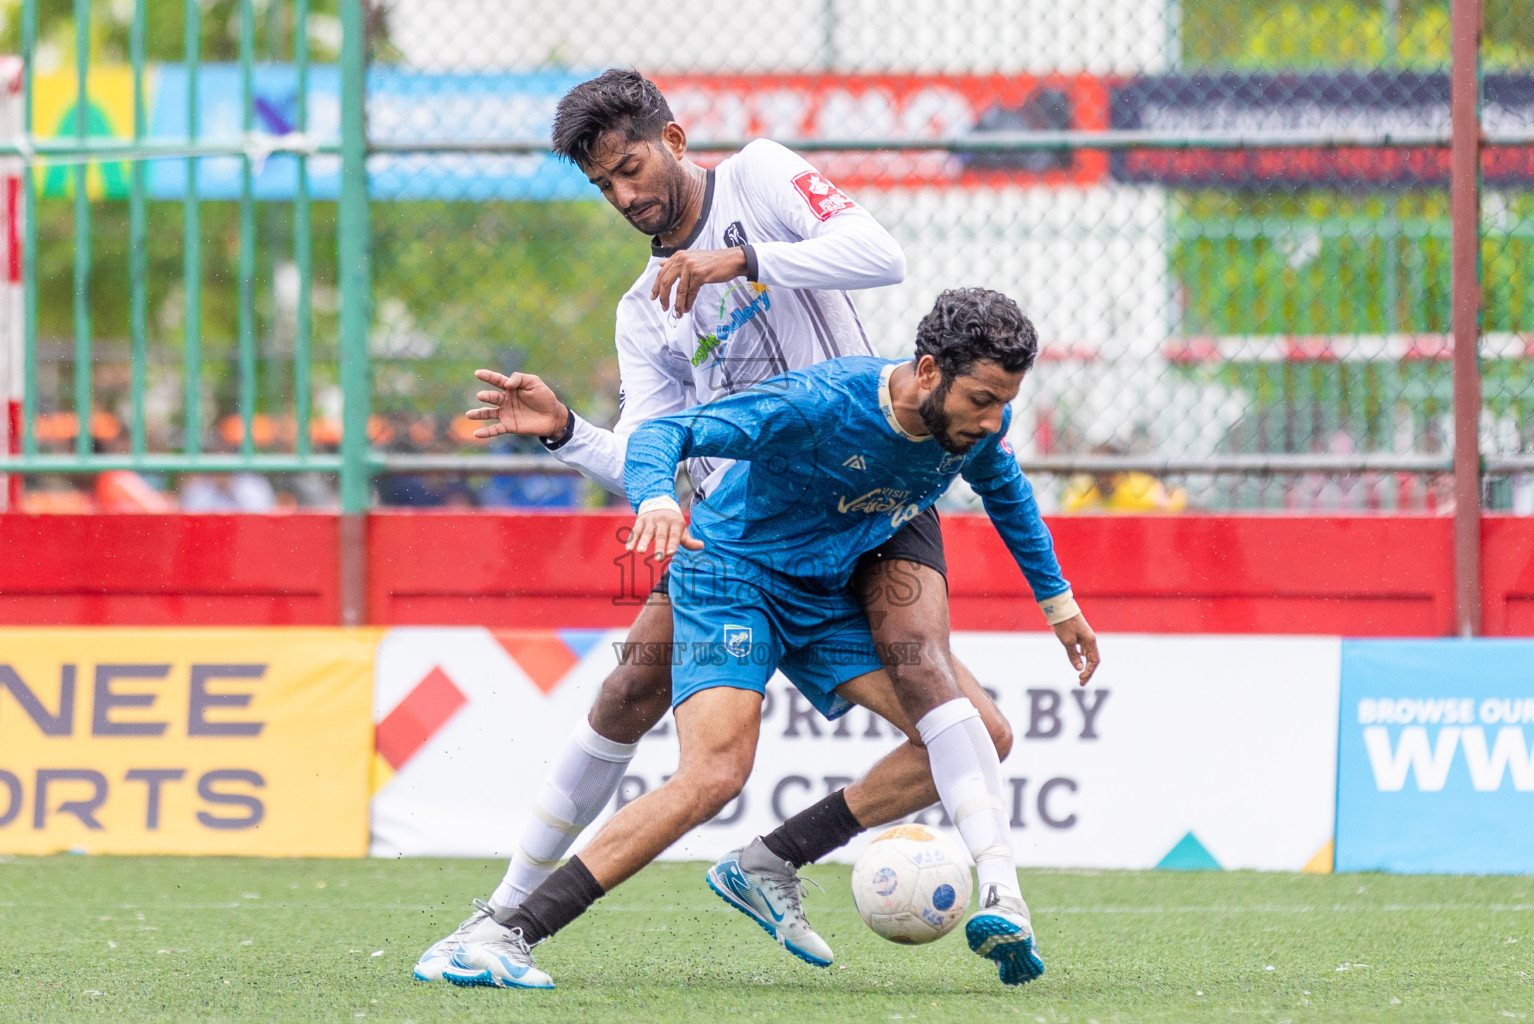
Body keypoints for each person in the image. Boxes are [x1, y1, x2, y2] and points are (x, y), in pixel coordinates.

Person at [414, 69, 1088, 982]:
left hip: (880, 495)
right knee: (626, 701)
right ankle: (502, 916)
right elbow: (666, 455)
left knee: (952, 710)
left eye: (631, 166)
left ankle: (948, 890)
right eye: (604, 185)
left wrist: (748, 259)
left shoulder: (763, 179)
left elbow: (878, 253)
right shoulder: (642, 310)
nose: (626, 195)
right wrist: (573, 436)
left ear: (677, 140)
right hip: (755, 531)